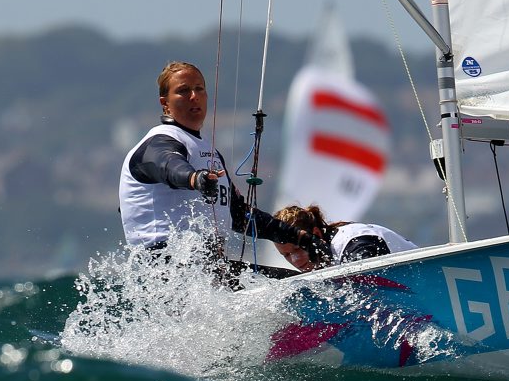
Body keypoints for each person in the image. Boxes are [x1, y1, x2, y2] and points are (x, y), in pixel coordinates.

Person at [118, 61, 314, 276]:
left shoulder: (208, 151)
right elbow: (168, 164)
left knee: (295, 283)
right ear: (165, 103)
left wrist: (295, 235)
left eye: (199, 89)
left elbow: (239, 214)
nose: (194, 96)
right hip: (167, 271)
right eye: (183, 91)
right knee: (294, 288)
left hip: (206, 271)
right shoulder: (158, 141)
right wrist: (195, 178)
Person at [274, 204, 416, 268]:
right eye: (286, 255)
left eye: (298, 249)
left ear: (316, 234)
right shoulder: (322, 259)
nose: (295, 260)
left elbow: (373, 281)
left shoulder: (354, 242)